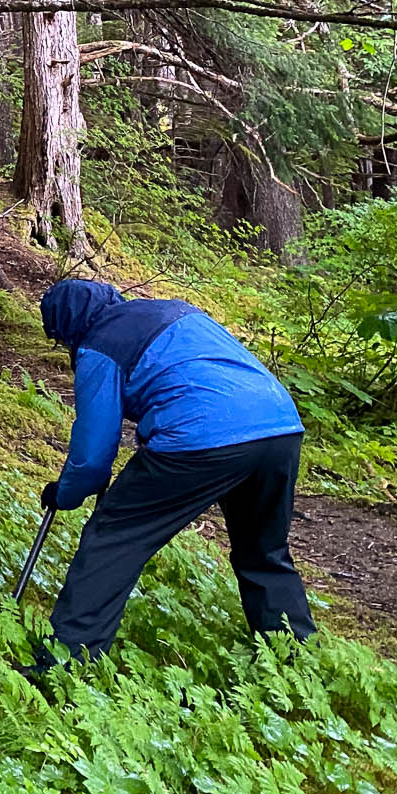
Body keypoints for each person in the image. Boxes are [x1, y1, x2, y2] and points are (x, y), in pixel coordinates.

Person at [30, 278, 313, 668]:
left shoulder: (98, 345)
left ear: (65, 328)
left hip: (201, 436)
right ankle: (296, 661)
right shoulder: (173, 311)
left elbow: (94, 455)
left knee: (114, 537)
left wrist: (66, 493)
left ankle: (66, 661)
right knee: (263, 550)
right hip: (280, 427)